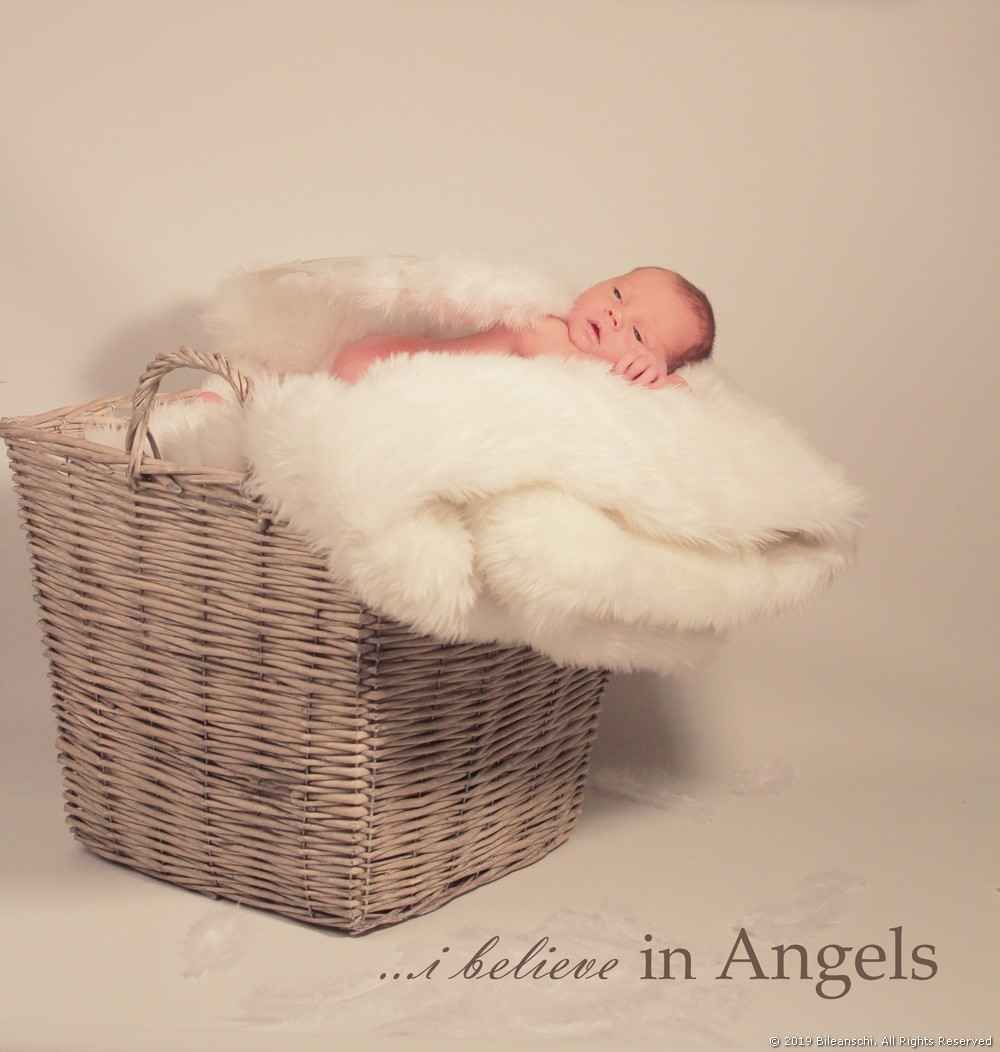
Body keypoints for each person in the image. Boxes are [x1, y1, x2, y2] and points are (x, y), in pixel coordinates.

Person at [327, 266, 714, 390]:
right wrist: (653, 382)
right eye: (617, 293)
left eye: (637, 334)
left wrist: (660, 379)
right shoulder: (546, 329)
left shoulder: (607, 378)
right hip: (388, 368)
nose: (616, 315)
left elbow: (683, 404)